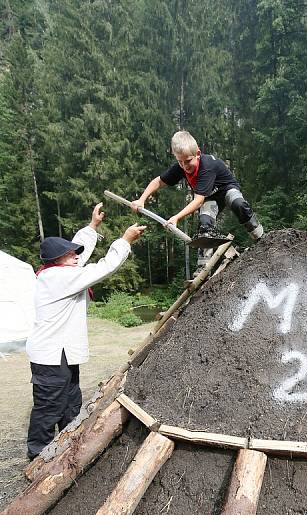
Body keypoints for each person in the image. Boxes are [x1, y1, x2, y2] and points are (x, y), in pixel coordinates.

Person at [26, 203, 145, 460]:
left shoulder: (59, 271)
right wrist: (124, 241)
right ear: (56, 261)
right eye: (71, 255)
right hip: (50, 358)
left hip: (63, 355)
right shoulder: (57, 278)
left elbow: (79, 250)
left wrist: (92, 227)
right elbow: (102, 267)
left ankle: (66, 448)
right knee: (49, 408)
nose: (77, 256)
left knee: (70, 404)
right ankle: (37, 455)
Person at [132, 130, 263, 270]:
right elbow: (158, 181)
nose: (185, 166)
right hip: (210, 198)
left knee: (238, 204)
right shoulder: (181, 166)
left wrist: (176, 217)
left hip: (226, 189)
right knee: (205, 225)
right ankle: (203, 266)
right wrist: (141, 199)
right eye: (180, 162)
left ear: (198, 154)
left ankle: (260, 237)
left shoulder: (207, 166)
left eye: (188, 161)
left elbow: (198, 201)